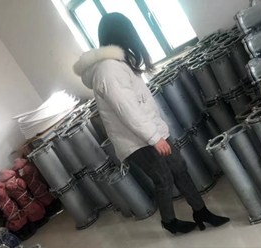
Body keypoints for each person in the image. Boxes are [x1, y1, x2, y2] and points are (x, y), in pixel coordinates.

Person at [73, 13, 229, 234]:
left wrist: (156, 134)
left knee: (179, 167)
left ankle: (201, 211)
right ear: (121, 34)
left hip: (149, 132)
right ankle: (169, 222)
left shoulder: (117, 63)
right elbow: (128, 110)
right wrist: (154, 138)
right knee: (164, 179)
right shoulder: (108, 70)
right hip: (136, 140)